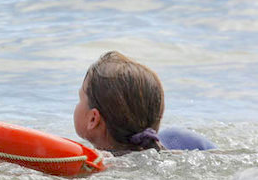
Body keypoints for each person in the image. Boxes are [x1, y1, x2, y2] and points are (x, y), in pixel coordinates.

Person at [74, 51, 216, 153]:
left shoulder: (89, 170)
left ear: (93, 119)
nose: (77, 105)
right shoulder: (181, 140)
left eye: (80, 99)